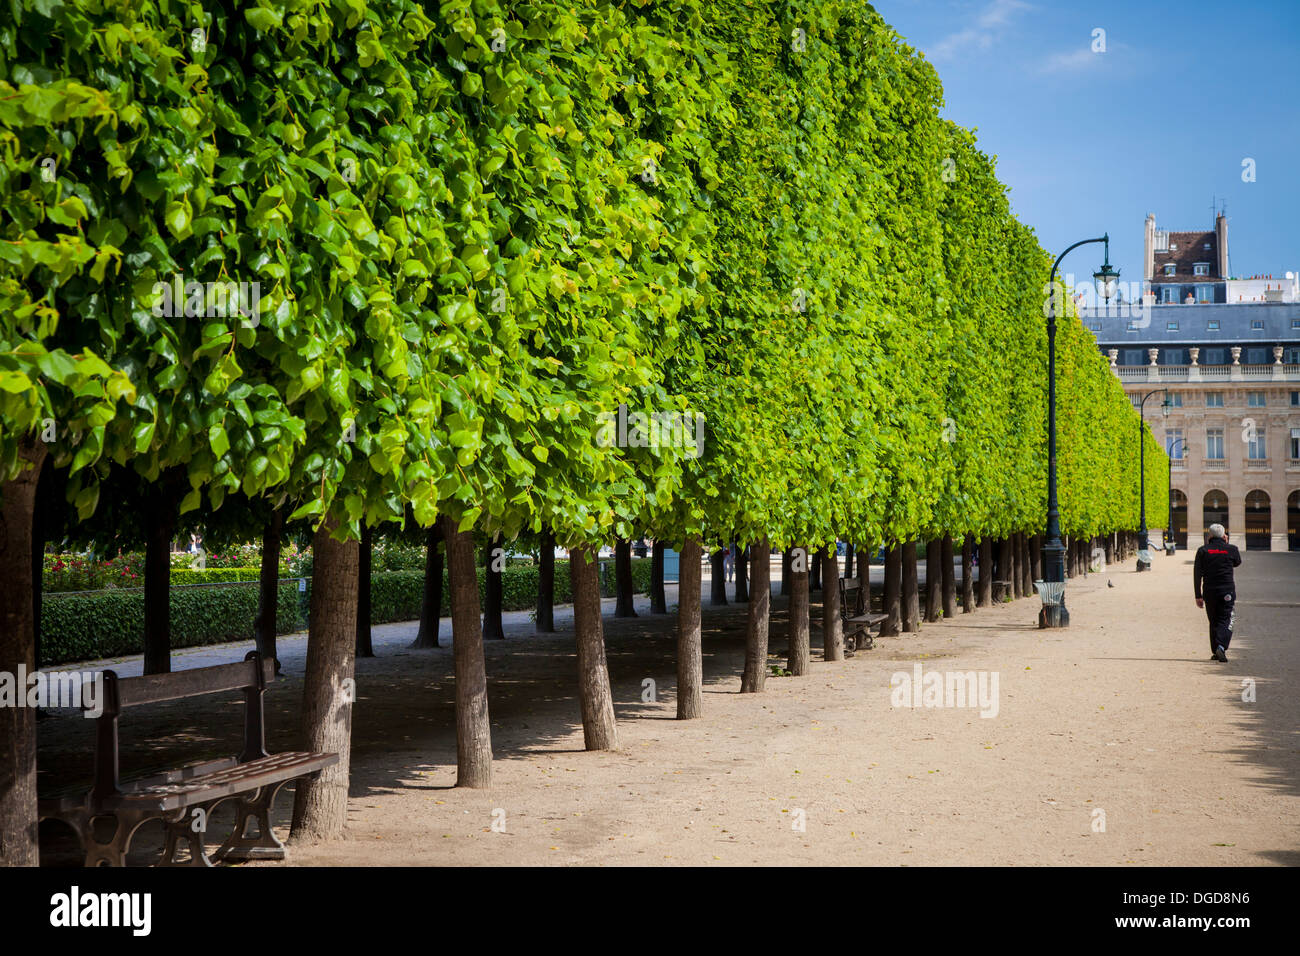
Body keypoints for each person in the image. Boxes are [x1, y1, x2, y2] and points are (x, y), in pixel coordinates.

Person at [1193, 523, 1241, 662]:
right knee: (1226, 618)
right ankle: (1221, 646)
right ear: (1224, 536)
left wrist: (1198, 595)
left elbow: (1197, 574)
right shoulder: (1232, 549)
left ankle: (1216, 650)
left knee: (1213, 620)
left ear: (1210, 536)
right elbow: (1237, 562)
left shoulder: (1203, 550)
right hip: (1227, 590)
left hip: (1210, 590)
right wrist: (1227, 544)